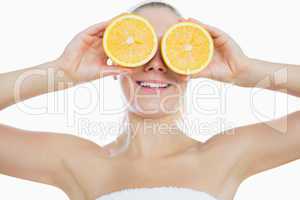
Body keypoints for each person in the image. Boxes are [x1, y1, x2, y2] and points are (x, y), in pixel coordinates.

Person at [0, 1, 299, 200]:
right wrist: (61, 71)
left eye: (171, 47)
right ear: (114, 58)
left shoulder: (226, 155)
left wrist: (244, 71)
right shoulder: (78, 162)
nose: (156, 64)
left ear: (193, 61)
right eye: (140, 46)